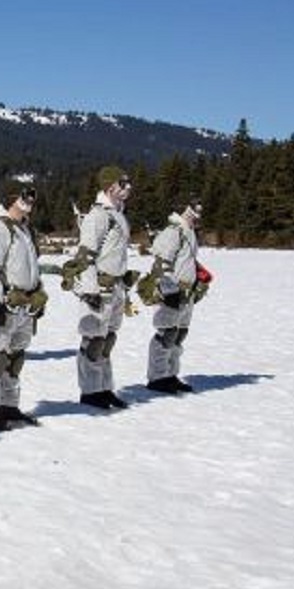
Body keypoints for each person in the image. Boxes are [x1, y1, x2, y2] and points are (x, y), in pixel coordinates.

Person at [0, 183, 47, 430]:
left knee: (15, 359)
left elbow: (31, 267)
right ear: (11, 199)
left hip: (25, 305)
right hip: (4, 304)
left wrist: (38, 293)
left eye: (33, 198)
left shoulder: (24, 229)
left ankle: (9, 406)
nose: (29, 202)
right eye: (25, 197)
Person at [71, 165, 135, 410]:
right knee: (93, 341)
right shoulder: (98, 216)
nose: (128, 187)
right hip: (99, 287)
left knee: (107, 341)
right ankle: (90, 392)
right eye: (123, 183)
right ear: (110, 186)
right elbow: (85, 256)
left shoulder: (118, 213)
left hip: (116, 287)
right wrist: (90, 290)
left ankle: (104, 388)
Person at [143, 197, 207, 394]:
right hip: (173, 290)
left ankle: (170, 375)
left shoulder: (190, 231)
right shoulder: (173, 232)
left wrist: (198, 279)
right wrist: (168, 290)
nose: (199, 211)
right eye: (195, 208)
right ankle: (157, 377)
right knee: (167, 333)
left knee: (179, 334)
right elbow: (161, 264)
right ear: (186, 210)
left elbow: (186, 260)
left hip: (187, 292)